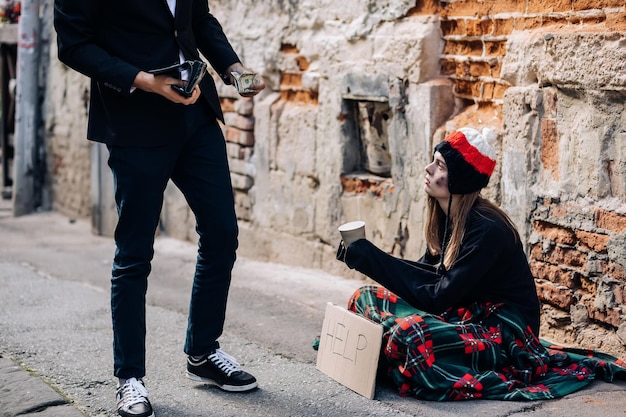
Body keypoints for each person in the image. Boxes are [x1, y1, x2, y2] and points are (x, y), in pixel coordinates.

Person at [53, 1, 265, 416]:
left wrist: (234, 68)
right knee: (134, 254)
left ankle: (202, 352)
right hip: (135, 121)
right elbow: (74, 45)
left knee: (222, 234)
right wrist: (145, 81)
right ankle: (130, 377)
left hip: (195, 117)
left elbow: (197, 20)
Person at [336, 127, 626, 400]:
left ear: (459, 179)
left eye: (440, 165)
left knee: (411, 334)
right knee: (363, 298)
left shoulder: (487, 229)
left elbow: (437, 298)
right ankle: (393, 356)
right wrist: (365, 257)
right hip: (465, 315)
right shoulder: (446, 217)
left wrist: (370, 258)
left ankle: (392, 354)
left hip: (506, 332)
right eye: (433, 161)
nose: (428, 169)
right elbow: (424, 278)